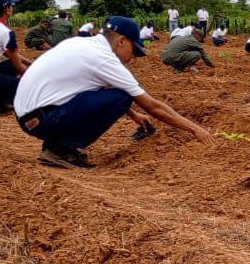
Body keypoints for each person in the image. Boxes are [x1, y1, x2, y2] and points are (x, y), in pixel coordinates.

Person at [14, 16, 210, 168]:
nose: (132, 58)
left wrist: (134, 115)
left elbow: (91, 88)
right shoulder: (104, 58)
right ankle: (60, 150)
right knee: (122, 96)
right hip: (43, 119)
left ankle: (55, 145)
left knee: (116, 94)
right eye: (134, 51)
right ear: (121, 41)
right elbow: (152, 106)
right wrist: (195, 129)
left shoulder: (80, 44)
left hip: (30, 116)